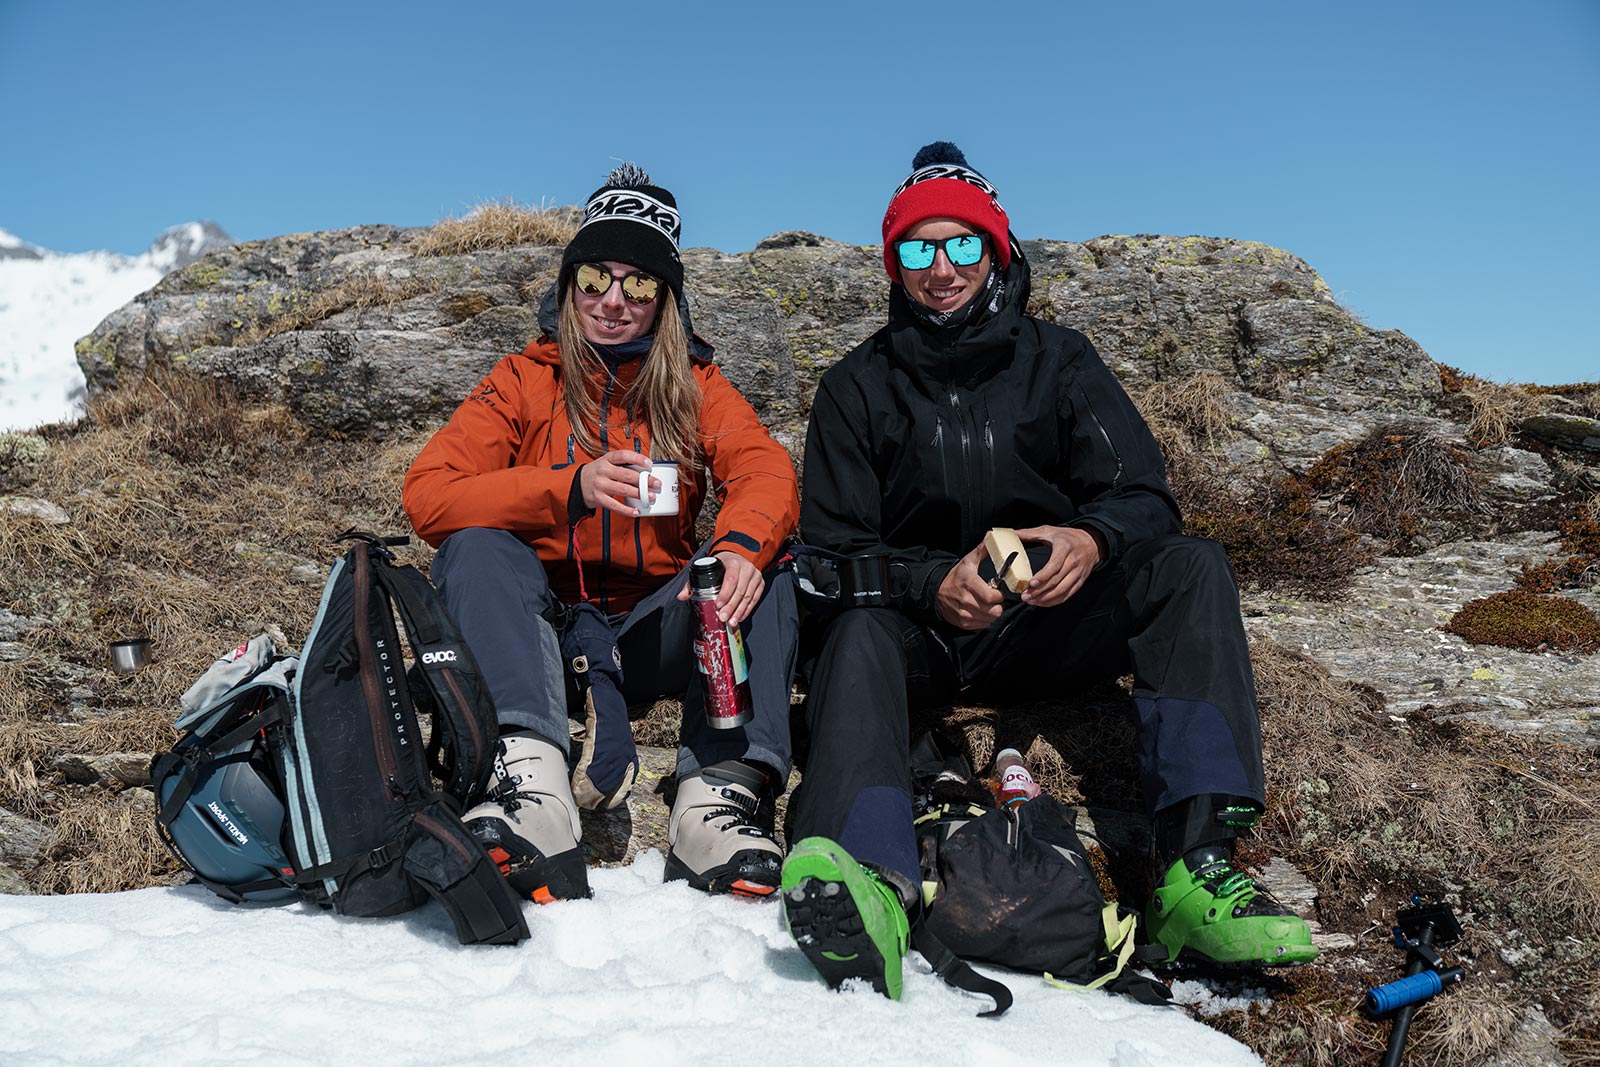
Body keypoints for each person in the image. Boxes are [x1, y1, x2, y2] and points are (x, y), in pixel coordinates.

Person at [780, 143, 1315, 1000]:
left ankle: (1198, 870)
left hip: (1061, 622)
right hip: (932, 641)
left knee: (1189, 567)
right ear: (896, 265)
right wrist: (931, 586)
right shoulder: (856, 386)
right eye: (918, 249)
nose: (942, 267)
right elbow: (830, 559)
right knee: (854, 633)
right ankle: (870, 878)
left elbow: (1146, 496)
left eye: (963, 244)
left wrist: (1090, 541)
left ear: (998, 250)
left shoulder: (1061, 360)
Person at [403, 164, 800, 903]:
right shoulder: (525, 378)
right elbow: (429, 493)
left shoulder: (697, 385)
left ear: (666, 299)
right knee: (475, 544)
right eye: (595, 276)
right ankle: (534, 795)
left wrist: (743, 545)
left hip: (656, 626)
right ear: (568, 283)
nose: (614, 301)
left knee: (765, 568)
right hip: (540, 631)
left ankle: (716, 800)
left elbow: (765, 469)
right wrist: (565, 490)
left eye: (640, 284)